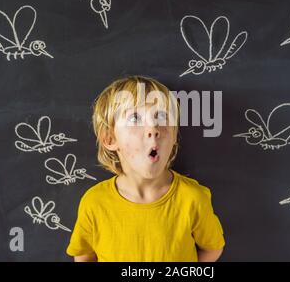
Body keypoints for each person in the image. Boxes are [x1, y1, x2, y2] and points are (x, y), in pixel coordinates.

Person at [66, 75, 225, 261]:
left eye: (162, 116)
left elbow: (212, 249)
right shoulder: (94, 203)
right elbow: (83, 257)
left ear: (174, 136)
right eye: (135, 118)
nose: (153, 128)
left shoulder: (193, 198)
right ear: (109, 139)